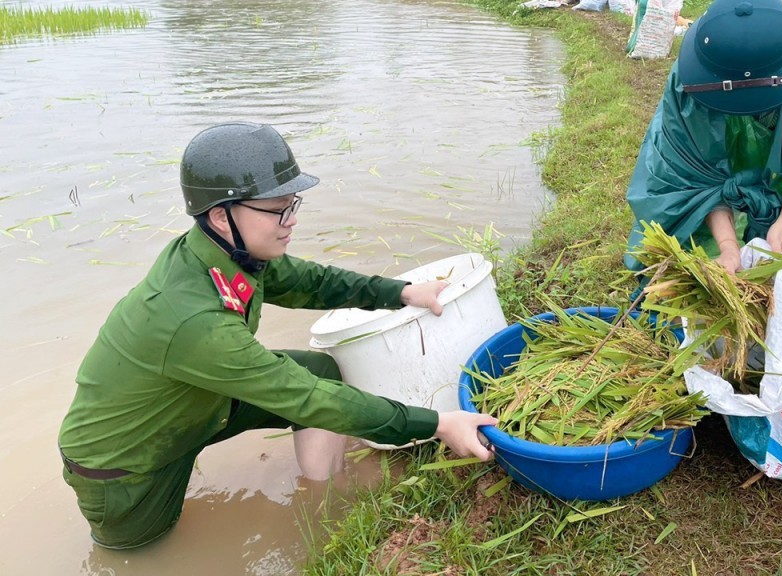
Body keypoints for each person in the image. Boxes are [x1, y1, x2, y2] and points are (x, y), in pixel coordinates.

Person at [58, 122, 498, 550]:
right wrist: (438, 424)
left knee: (320, 370)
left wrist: (401, 293)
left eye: (293, 205)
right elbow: (303, 396)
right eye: (277, 210)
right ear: (220, 215)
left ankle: (323, 494)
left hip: (193, 412)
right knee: (146, 554)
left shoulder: (230, 255)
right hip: (125, 469)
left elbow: (312, 282)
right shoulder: (192, 319)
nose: (290, 222)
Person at [623, 0, 782, 282]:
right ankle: (718, 263)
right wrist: (728, 246)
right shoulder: (694, 79)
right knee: (689, 234)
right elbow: (695, 178)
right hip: (708, 110)